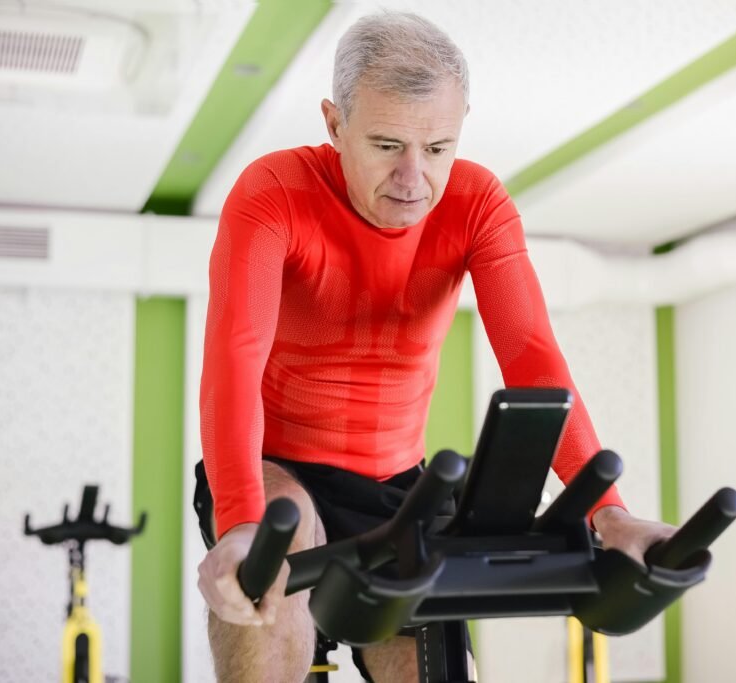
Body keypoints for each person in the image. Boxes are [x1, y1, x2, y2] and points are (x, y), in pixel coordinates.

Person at [195, 11, 675, 683]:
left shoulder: (477, 202)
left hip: (399, 493)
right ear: (335, 125)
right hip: (275, 469)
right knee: (285, 525)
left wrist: (609, 512)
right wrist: (242, 520)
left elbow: (534, 356)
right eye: (387, 144)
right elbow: (234, 360)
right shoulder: (273, 192)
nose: (414, 178)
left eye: (439, 147)